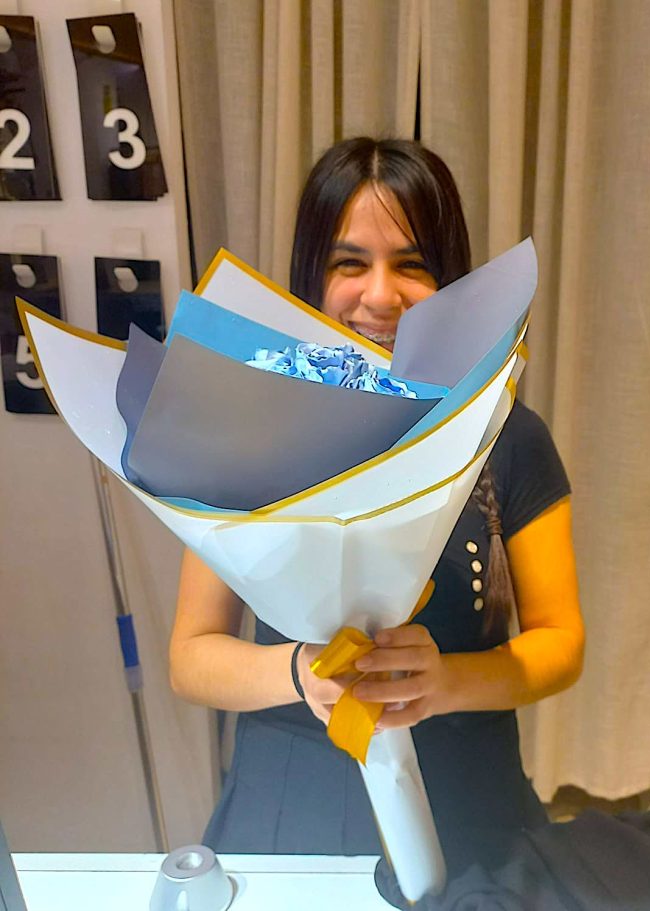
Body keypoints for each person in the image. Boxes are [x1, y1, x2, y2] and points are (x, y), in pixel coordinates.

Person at [169, 137, 585, 875]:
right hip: (292, 780)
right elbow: (191, 656)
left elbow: (561, 641)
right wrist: (300, 673)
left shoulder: (507, 434)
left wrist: (446, 681)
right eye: (349, 263)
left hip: (468, 781)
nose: (381, 296)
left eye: (412, 264)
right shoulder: (245, 432)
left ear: (449, 278)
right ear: (312, 273)